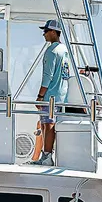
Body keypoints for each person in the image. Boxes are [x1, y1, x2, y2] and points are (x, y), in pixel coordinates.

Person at [28, 19, 71, 167]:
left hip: (50, 95)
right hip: (62, 94)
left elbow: (48, 76)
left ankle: (47, 156)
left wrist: (40, 96)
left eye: (46, 31)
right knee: (47, 123)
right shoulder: (65, 50)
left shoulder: (52, 51)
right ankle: (46, 155)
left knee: (48, 124)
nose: (44, 34)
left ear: (53, 32)